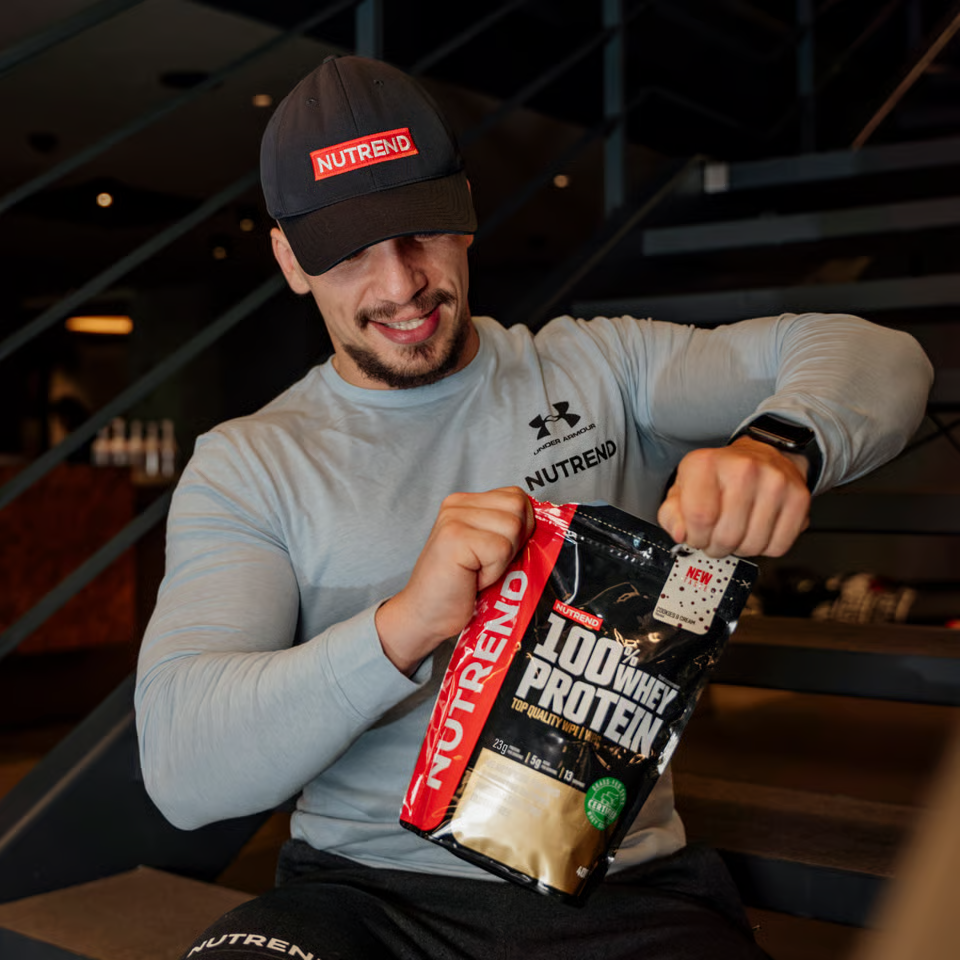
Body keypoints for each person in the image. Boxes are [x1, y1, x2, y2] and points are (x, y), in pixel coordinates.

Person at [135, 55, 933, 960]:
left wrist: (779, 446)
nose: (399, 284)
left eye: (419, 230)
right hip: (365, 896)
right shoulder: (250, 463)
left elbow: (881, 357)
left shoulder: (602, 369)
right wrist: (403, 625)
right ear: (289, 259)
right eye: (349, 250)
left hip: (618, 894)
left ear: (466, 213)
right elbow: (185, 770)